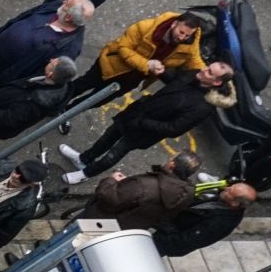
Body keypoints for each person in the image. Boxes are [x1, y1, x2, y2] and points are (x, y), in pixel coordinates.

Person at [61, 63, 237, 183]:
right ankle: (84, 159)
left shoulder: (203, 107)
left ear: (216, 82)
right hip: (136, 113)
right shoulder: (195, 74)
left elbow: (174, 129)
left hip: (144, 131)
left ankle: (85, 173)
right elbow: (175, 79)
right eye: (208, 66)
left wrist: (143, 123)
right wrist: (162, 71)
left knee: (113, 154)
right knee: (107, 137)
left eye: (209, 72)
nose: (204, 69)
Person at [67, 10, 208, 108]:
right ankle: (58, 103)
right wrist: (147, 65)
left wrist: (209, 72)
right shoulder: (146, 27)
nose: (182, 38)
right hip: (111, 66)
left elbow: (195, 61)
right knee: (81, 85)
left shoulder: (190, 45)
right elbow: (123, 48)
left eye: (187, 35)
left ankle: (67, 111)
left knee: (96, 101)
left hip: (130, 80)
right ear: (174, 24)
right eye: (181, 32)